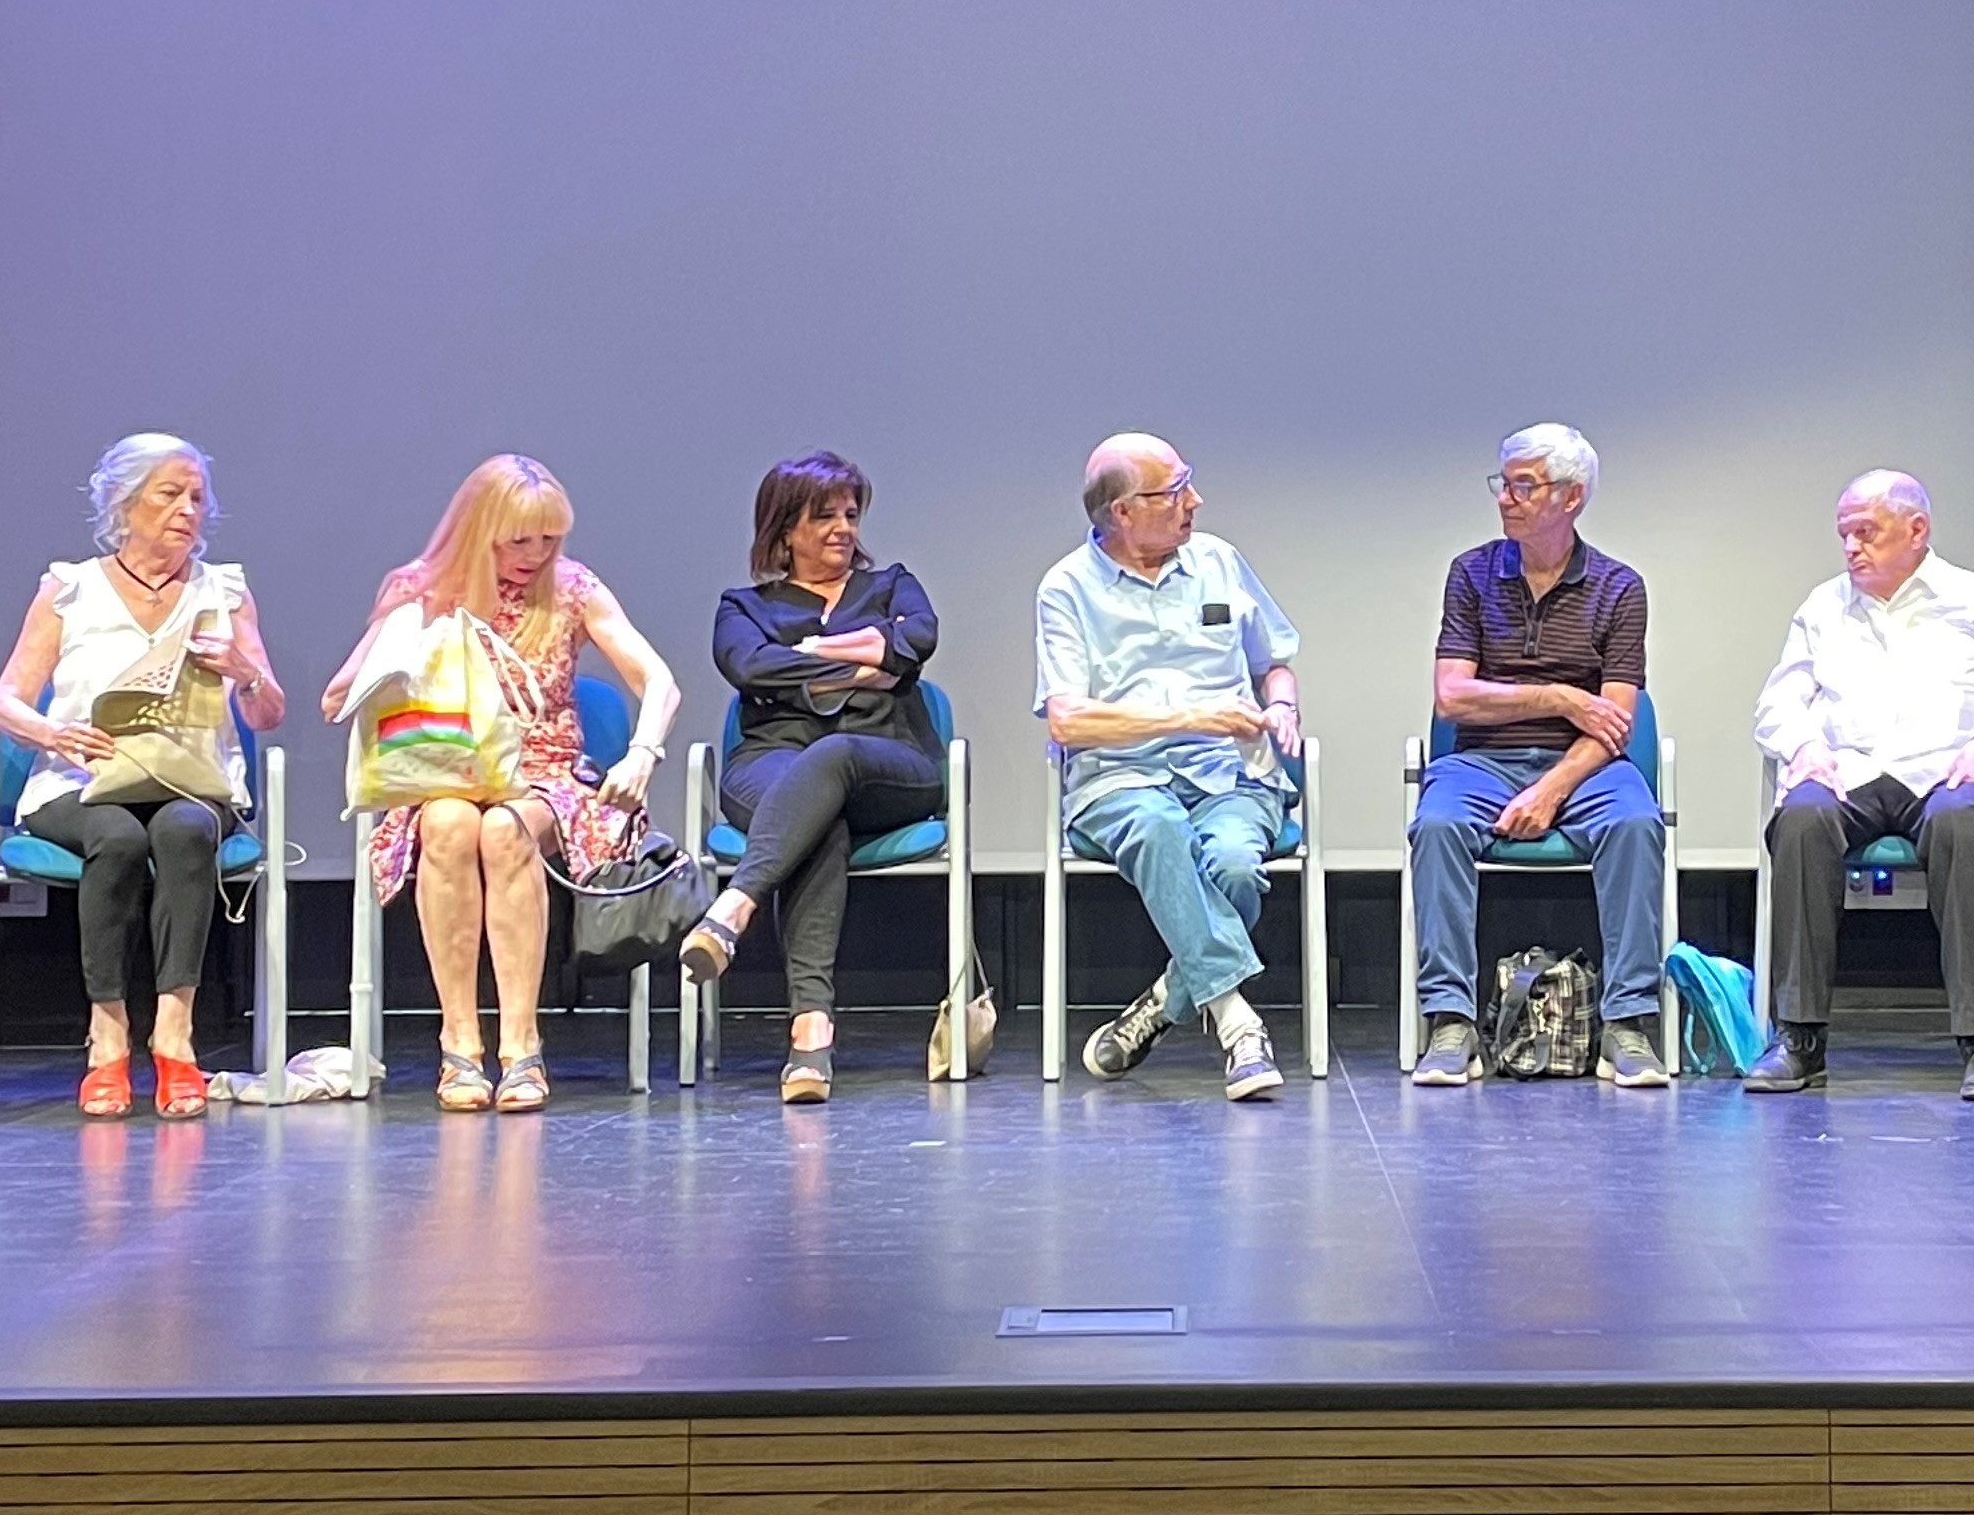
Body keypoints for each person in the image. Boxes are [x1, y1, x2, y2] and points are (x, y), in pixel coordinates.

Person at [325, 454, 679, 1115]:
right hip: (450, 771)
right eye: (519, 540)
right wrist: (392, 646)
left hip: (543, 773)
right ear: (478, 529)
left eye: (548, 539)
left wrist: (642, 753)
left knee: (504, 829)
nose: (534, 555)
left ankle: (521, 1043)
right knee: (448, 822)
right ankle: (459, 1039)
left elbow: (658, 680)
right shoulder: (422, 587)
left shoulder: (571, 589)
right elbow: (338, 697)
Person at [0, 435, 289, 1121]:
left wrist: (244, 671)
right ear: (124, 506)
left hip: (190, 782)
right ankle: (108, 1035)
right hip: (79, 783)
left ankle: (175, 1034)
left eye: (197, 498)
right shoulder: (69, 590)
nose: (188, 510)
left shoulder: (224, 593)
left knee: (185, 830)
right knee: (118, 839)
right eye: (170, 494)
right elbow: (3, 702)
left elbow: (268, 713)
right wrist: (53, 733)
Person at [1745, 470, 1974, 1098]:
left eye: (1867, 532)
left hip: (1945, 770)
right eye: (1845, 534)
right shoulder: (1822, 607)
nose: (1851, 547)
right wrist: (1805, 745)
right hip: (1848, 770)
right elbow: (1777, 702)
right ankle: (1798, 1037)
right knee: (1801, 819)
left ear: (1916, 531)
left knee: (1965, 822)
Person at [679, 452, 962, 1104]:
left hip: (887, 760)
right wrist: (863, 662)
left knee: (832, 758)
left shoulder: (892, 586)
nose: (843, 528)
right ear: (785, 529)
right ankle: (811, 1034)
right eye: (824, 516)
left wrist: (806, 656)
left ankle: (734, 907)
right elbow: (749, 668)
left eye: (851, 515)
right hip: (770, 761)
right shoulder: (744, 606)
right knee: (817, 818)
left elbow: (917, 640)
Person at [1030, 434, 1303, 1103]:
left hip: (1231, 774)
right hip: (1119, 780)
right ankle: (1239, 1026)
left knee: (1234, 867)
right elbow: (1068, 720)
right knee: (1159, 829)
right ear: (1122, 511)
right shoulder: (1066, 589)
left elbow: (1274, 662)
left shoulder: (1218, 562)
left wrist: (1283, 705)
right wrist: (1191, 716)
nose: (1195, 501)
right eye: (1175, 491)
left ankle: (1165, 1001)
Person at [1408, 424, 1666, 1089]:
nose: (1506, 498)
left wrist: (1550, 789)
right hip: (1481, 762)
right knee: (1436, 825)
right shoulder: (1471, 573)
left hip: (1584, 765)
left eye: (1523, 485)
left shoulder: (1619, 587)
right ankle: (1451, 1022)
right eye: (1503, 483)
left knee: (1636, 824)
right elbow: (1452, 697)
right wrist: (1558, 697)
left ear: (1571, 496)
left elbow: (1614, 720)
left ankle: (1627, 1025)